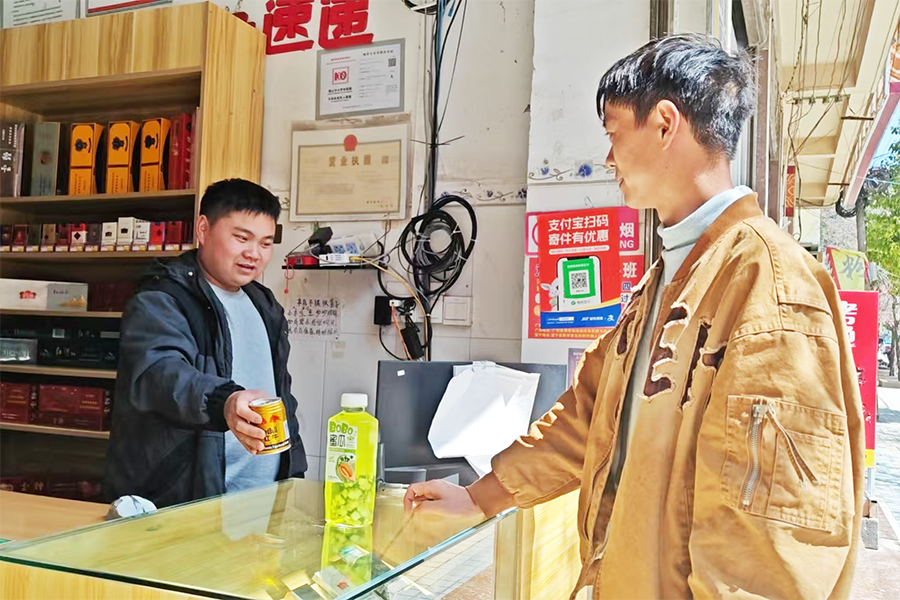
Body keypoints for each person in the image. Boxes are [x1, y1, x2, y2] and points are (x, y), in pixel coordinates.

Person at [405, 35, 864, 599]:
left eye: (613, 133)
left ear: (665, 124)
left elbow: (770, 546)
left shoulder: (768, 281)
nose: (608, 158)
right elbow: (590, 415)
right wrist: (481, 497)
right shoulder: (670, 276)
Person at [106, 179, 307, 508]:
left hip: (264, 499)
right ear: (203, 229)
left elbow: (282, 394)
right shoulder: (162, 299)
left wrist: (294, 472)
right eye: (241, 238)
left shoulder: (264, 304)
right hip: (187, 499)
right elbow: (159, 376)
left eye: (266, 243)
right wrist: (223, 401)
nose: (254, 254)